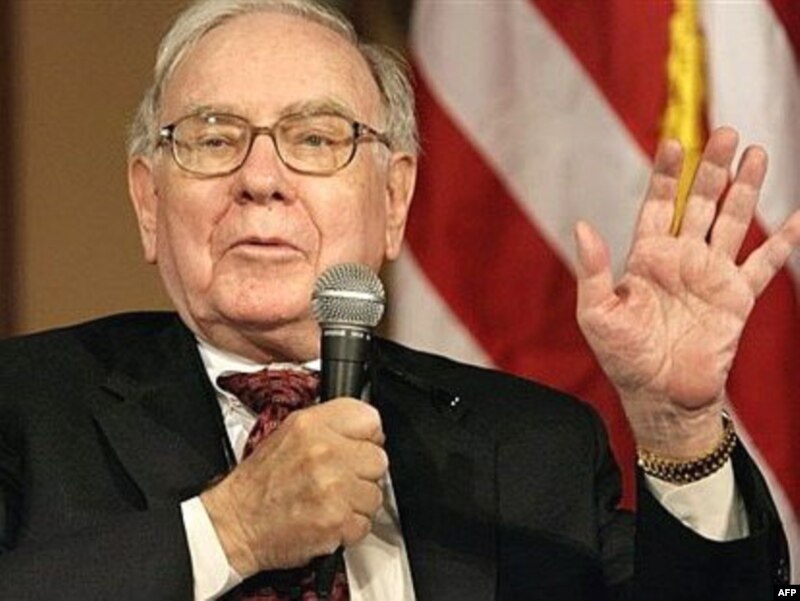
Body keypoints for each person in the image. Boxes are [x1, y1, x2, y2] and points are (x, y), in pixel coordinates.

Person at [0, 0, 795, 599]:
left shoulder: (532, 449)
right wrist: (229, 531)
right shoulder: (24, 409)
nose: (261, 178)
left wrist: (677, 426)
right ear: (149, 202)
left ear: (394, 199)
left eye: (317, 138)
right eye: (214, 138)